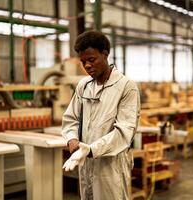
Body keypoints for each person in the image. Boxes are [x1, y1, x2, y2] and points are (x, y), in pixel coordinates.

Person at [61, 30, 140, 200]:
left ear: (105, 54)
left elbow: (124, 133)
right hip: (85, 163)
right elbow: (70, 119)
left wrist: (91, 149)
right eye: (83, 62)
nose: (87, 66)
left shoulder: (126, 87)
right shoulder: (83, 86)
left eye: (91, 60)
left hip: (111, 168)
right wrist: (72, 139)